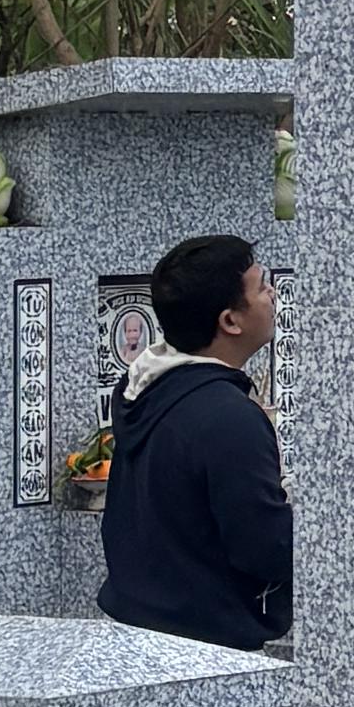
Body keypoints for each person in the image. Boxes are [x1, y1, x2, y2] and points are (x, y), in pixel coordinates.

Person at [98, 228, 295, 652]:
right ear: (230, 321)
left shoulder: (147, 388)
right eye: (262, 287)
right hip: (207, 648)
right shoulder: (227, 418)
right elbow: (264, 548)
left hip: (137, 631)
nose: (273, 294)